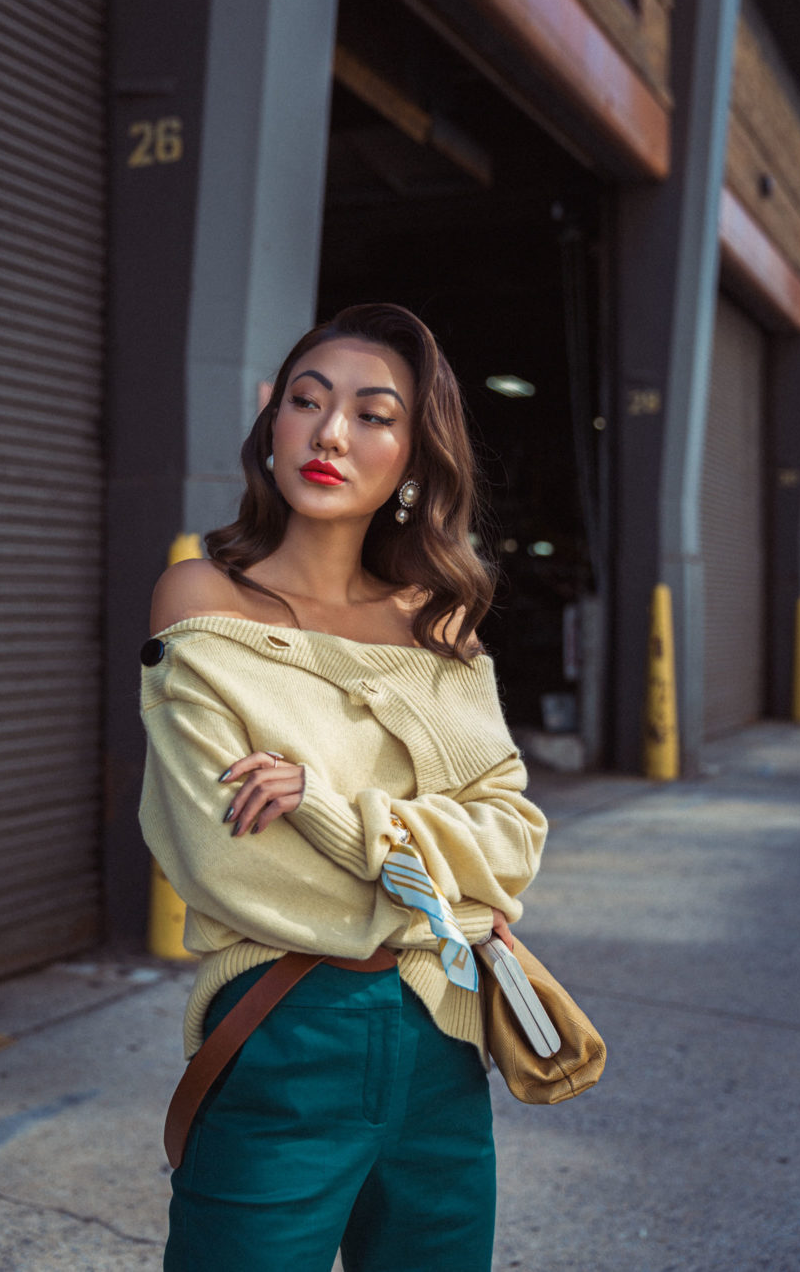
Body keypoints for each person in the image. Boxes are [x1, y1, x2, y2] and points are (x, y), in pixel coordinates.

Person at [138, 302, 548, 1272]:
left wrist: (324, 806)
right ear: (270, 422)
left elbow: (514, 841)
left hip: (444, 1038)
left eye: (373, 414)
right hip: (281, 1027)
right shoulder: (201, 600)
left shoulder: (440, 629)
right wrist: (443, 884)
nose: (331, 433)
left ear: (411, 459)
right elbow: (229, 862)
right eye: (306, 401)